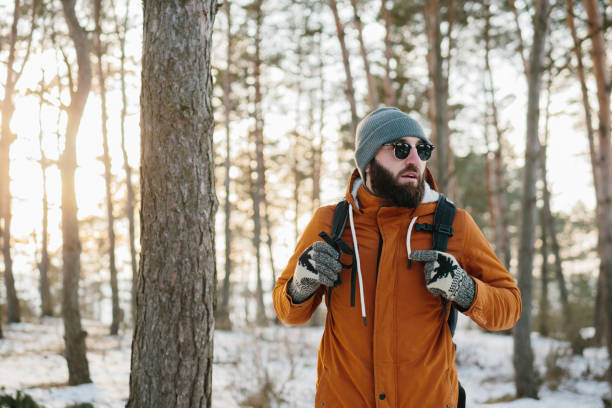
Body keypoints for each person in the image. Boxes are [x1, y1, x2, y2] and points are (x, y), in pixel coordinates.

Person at [273, 107, 522, 408]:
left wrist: (466, 290)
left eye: (423, 149)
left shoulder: (453, 223)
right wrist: (301, 285)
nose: (415, 160)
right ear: (368, 161)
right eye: (401, 149)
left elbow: (509, 306)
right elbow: (288, 312)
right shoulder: (331, 223)